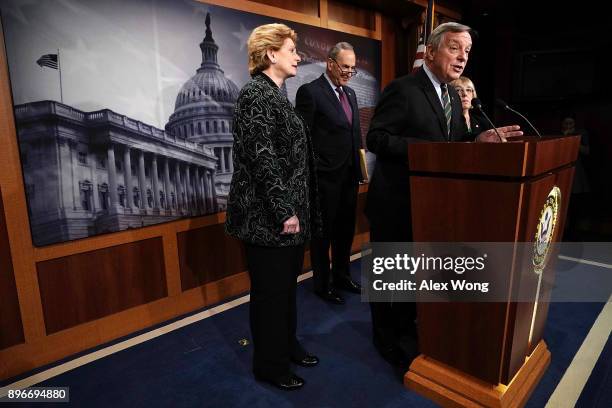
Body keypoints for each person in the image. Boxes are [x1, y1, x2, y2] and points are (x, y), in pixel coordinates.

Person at [365, 22, 522, 374]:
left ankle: (409, 332)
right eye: (454, 48)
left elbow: (454, 147)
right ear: (432, 51)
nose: (463, 57)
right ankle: (386, 340)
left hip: (433, 206)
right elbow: (377, 138)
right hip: (396, 203)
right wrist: (434, 152)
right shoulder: (403, 89)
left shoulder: (452, 94)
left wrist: (476, 142)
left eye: (467, 51)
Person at [225, 23, 321, 391]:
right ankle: (269, 365)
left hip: (287, 217)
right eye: (292, 49)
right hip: (268, 219)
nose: (298, 56)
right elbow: (262, 158)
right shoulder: (256, 94)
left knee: (285, 290)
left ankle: (287, 346)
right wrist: (285, 210)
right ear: (270, 54)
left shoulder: (277, 94)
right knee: (270, 295)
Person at [295, 42, 364, 305]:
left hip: (349, 177)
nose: (349, 72)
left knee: (345, 231)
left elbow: (354, 135)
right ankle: (323, 285)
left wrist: (359, 169)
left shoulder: (352, 94)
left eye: (353, 68)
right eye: (345, 67)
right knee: (323, 235)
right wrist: (314, 172)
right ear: (331, 63)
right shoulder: (310, 92)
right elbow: (302, 139)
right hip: (324, 179)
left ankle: (342, 276)